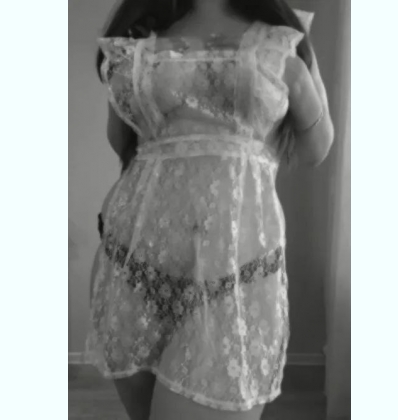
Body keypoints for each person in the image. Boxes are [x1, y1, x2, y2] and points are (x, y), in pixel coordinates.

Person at [86, 0, 334, 419]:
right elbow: (125, 144)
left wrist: (296, 77)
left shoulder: (279, 37)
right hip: (129, 268)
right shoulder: (140, 35)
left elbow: (316, 148)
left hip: (234, 280)